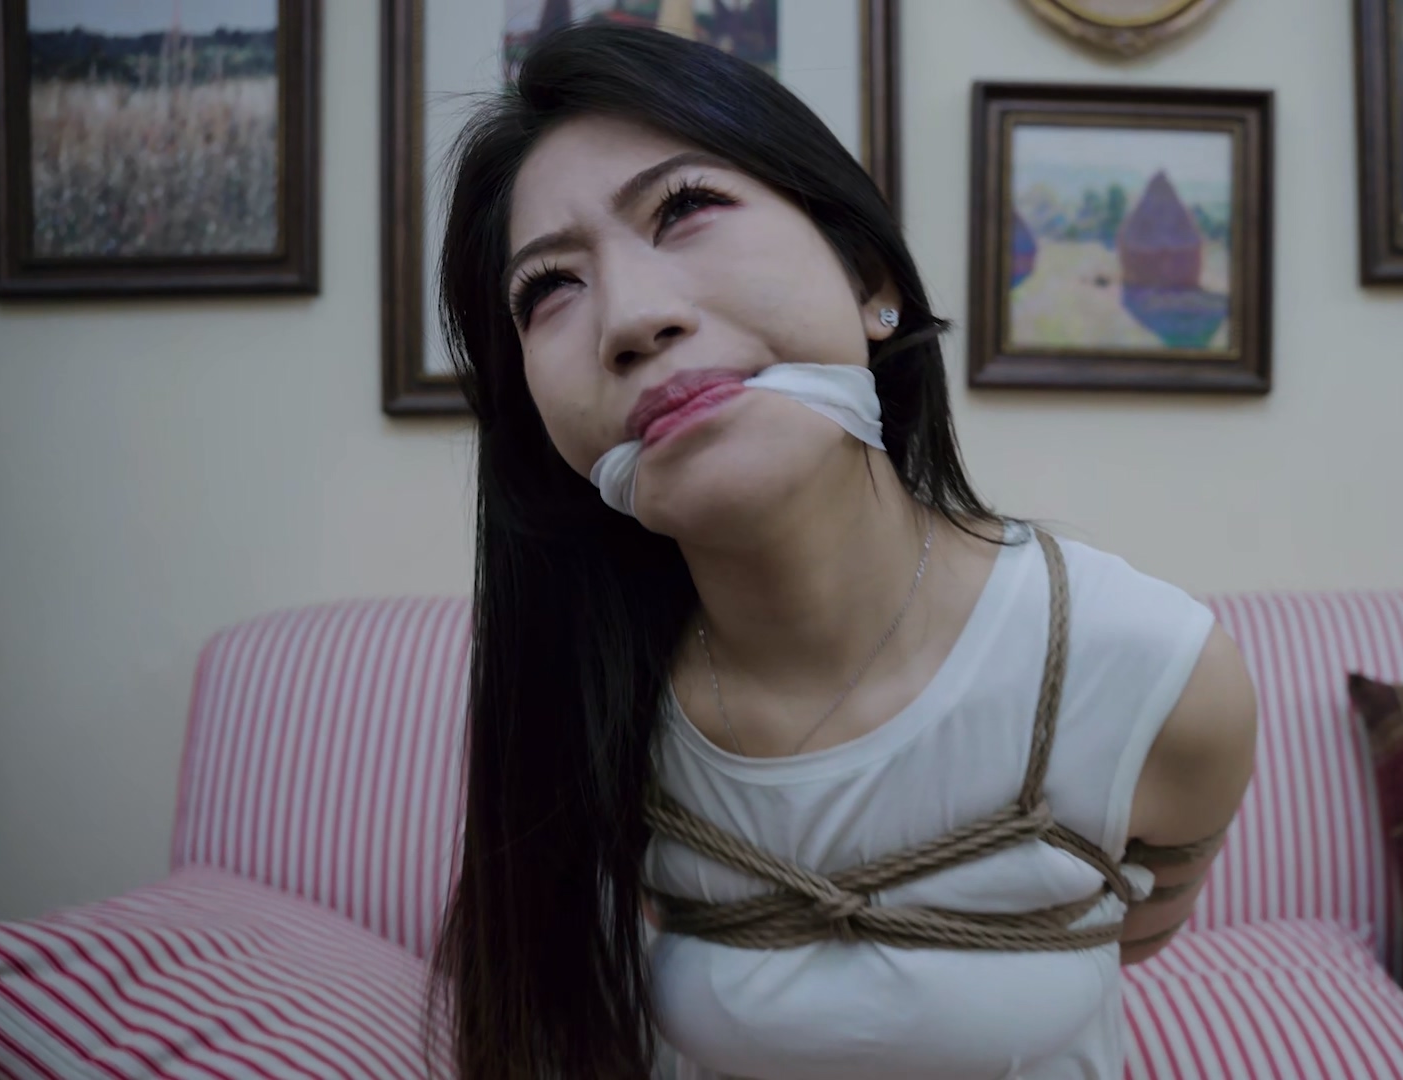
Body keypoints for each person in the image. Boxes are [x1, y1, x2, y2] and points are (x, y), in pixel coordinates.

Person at [426, 22, 1258, 1080]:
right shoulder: (594, 704)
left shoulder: (1157, 674)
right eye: (549, 288)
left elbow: (1134, 931)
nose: (630, 320)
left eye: (684, 209)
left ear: (870, 280)